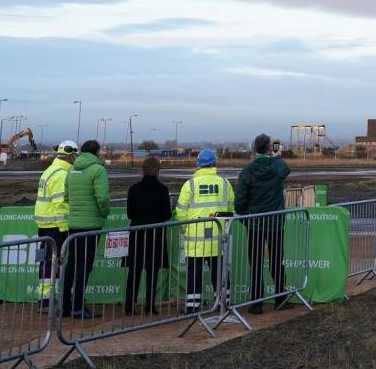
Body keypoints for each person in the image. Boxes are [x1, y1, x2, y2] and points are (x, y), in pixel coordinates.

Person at [235, 133, 291, 315]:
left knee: (256, 264)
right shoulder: (277, 166)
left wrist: (245, 218)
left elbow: (240, 200)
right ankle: (280, 299)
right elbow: (286, 169)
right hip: (275, 223)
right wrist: (278, 157)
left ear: (254, 149)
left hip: (255, 223)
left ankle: (256, 302)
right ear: (269, 148)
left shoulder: (248, 171)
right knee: (277, 261)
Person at [175, 148, 234, 313]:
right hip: (218, 237)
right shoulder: (224, 183)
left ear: (198, 164)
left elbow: (181, 212)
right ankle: (223, 304)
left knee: (194, 274)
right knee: (220, 273)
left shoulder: (190, 184)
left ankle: (192, 307)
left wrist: (185, 229)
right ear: (215, 163)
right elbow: (231, 209)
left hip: (196, 240)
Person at [62, 139, 109, 319]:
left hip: (74, 224)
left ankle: (64, 306)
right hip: (91, 225)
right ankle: (78, 306)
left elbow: (66, 196)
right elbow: (102, 198)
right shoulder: (98, 170)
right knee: (84, 266)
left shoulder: (72, 170)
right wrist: (104, 213)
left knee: (71, 264)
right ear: (97, 152)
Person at [124, 155, 171, 315]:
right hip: (155, 235)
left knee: (134, 271)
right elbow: (167, 215)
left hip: (137, 233)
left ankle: (129, 305)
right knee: (152, 271)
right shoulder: (162, 189)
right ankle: (150, 306)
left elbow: (129, 213)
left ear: (142, 170)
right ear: (158, 170)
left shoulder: (133, 189)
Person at [34, 140, 78, 309]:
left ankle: (45, 296)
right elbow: (60, 204)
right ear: (71, 156)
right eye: (75, 156)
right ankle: (50, 298)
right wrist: (65, 228)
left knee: (45, 260)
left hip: (45, 224)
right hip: (56, 226)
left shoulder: (50, 170)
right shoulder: (62, 174)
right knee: (54, 261)